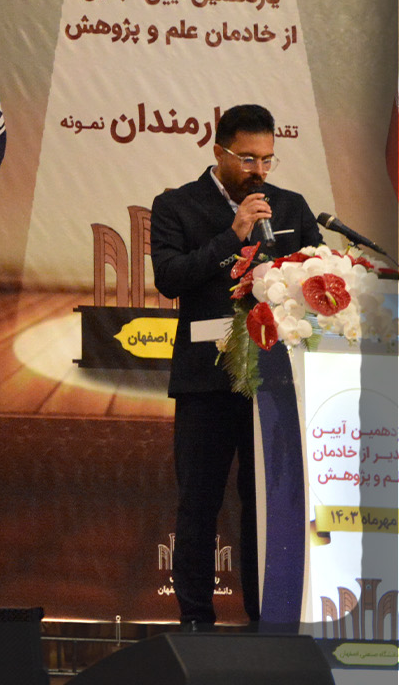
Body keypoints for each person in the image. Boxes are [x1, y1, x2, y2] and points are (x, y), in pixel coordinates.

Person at [149, 103, 319, 627]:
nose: (259, 171)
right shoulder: (177, 205)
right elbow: (170, 278)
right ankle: (195, 622)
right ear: (219, 151)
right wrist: (233, 235)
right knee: (199, 503)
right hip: (206, 379)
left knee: (264, 505)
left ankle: (266, 618)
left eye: (267, 159)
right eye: (247, 159)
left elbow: (316, 277)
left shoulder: (290, 207)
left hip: (275, 383)